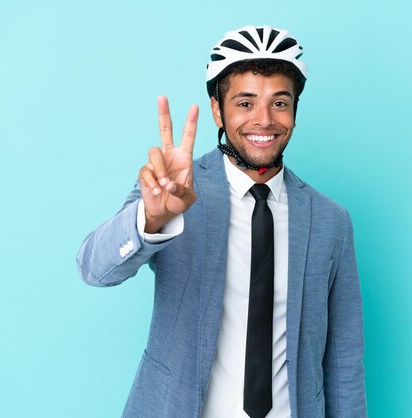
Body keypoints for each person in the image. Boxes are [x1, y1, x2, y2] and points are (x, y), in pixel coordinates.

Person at [77, 25, 366, 418]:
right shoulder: (174, 193)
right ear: (218, 109)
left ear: (295, 110)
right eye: (245, 103)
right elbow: (94, 268)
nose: (264, 120)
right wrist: (152, 218)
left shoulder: (331, 221)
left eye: (279, 102)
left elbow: (343, 362)